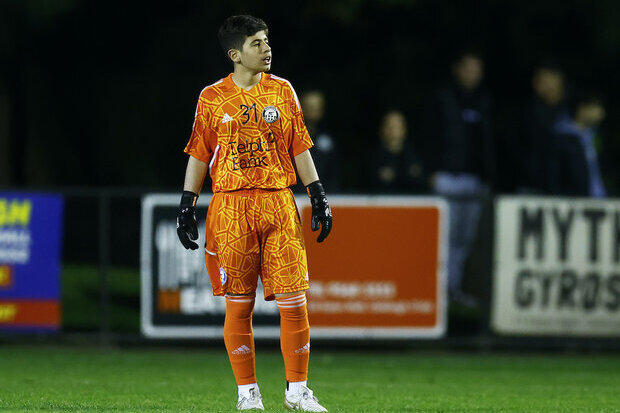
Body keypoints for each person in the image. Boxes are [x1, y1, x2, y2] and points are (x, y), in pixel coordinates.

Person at [175, 15, 331, 412]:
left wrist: (318, 196)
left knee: (295, 302)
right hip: (231, 207)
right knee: (239, 304)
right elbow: (199, 152)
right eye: (257, 43)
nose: (266, 49)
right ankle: (248, 393)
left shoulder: (283, 91)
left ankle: (297, 391)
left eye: (266, 41)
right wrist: (186, 204)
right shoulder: (211, 97)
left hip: (279, 201)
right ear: (235, 54)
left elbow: (300, 146)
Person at [426, 49, 494, 306]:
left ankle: (452, 290)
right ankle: (438, 293)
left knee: (464, 240)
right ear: (457, 69)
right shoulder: (442, 97)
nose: (472, 73)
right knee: (444, 237)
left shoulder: (483, 100)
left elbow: (487, 143)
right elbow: (430, 135)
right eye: (468, 67)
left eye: (477, 69)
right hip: (447, 177)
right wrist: (432, 172)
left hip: (474, 180)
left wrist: (488, 176)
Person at [519, 62, 568, 193]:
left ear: (557, 80)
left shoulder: (572, 109)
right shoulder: (527, 109)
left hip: (566, 187)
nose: (536, 83)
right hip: (531, 184)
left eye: (542, 79)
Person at [549, 91, 607, 197]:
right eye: (596, 107)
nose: (601, 113)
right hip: (573, 202)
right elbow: (553, 175)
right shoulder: (561, 136)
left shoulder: (595, 137)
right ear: (582, 108)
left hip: (601, 200)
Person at [368, 110, 428, 193]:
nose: (393, 131)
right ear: (382, 129)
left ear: (404, 129)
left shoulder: (415, 156)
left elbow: (422, 180)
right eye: (389, 126)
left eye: (397, 126)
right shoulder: (373, 157)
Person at [300, 91, 341, 192]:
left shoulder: (330, 141)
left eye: (314, 108)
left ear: (322, 110)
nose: (311, 112)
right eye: (307, 107)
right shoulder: (287, 138)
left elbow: (334, 175)